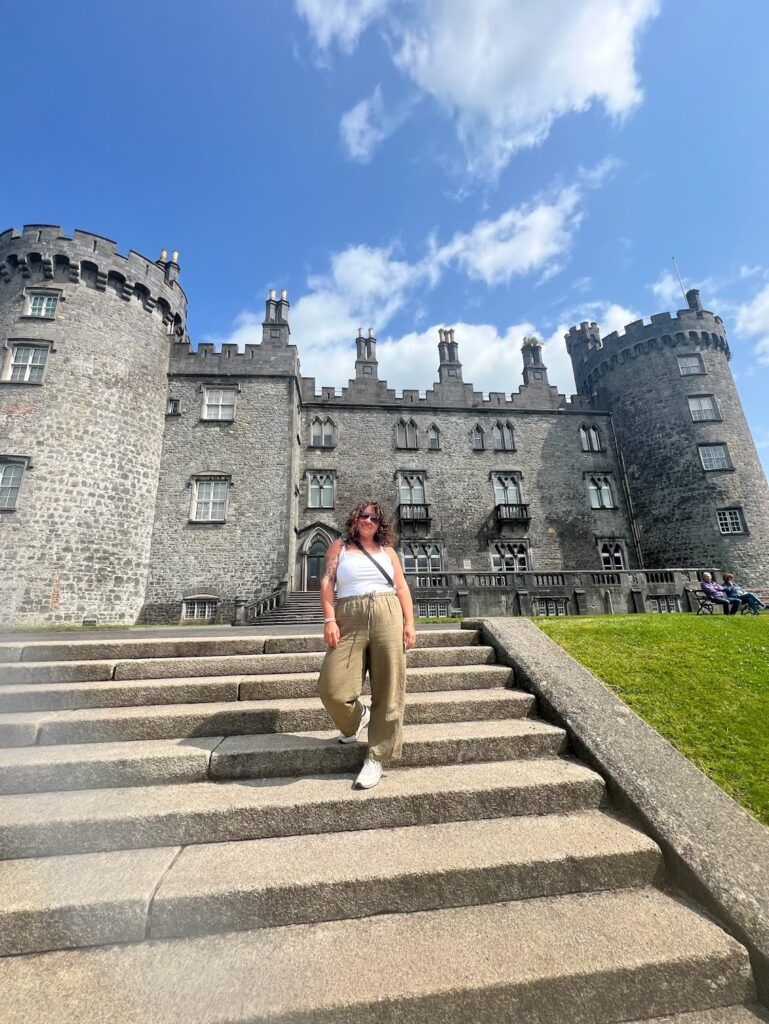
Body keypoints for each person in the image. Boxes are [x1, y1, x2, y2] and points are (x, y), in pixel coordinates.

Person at [318, 500, 416, 790]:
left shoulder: (388, 552)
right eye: (363, 515)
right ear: (354, 519)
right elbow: (327, 582)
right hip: (349, 614)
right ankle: (356, 720)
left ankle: (377, 756)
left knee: (389, 689)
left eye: (373, 517)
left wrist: (409, 623)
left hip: (388, 613)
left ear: (380, 523)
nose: (368, 520)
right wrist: (329, 619)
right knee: (332, 688)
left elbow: (401, 587)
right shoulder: (339, 547)